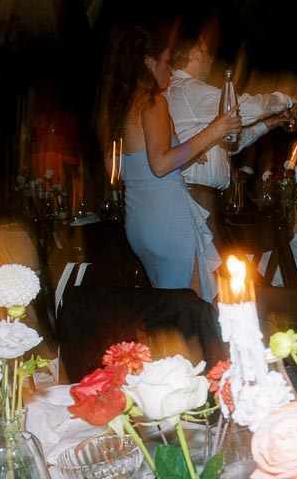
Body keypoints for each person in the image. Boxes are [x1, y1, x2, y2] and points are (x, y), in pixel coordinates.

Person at [97, 23, 241, 299]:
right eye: (165, 61)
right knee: (192, 309)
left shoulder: (116, 109)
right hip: (168, 223)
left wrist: (187, 152)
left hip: (139, 225)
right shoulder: (153, 103)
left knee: (169, 306)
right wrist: (215, 130)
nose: (171, 69)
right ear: (148, 62)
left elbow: (115, 169)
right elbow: (160, 165)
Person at [166, 34, 297, 234]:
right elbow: (241, 108)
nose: (211, 60)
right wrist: (287, 99)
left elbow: (231, 143)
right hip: (195, 196)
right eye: (206, 53)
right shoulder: (189, 89)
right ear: (195, 53)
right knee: (206, 264)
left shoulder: (184, 93)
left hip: (202, 197)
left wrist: (270, 123)